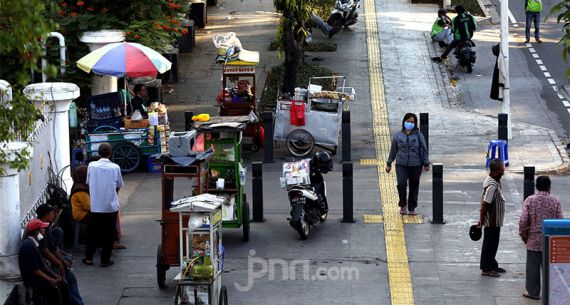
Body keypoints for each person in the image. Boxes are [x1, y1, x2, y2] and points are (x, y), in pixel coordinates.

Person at [519, 176, 563, 300]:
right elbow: (560, 220)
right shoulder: (555, 201)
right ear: (549, 187)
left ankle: (533, 292)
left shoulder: (530, 200)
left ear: (536, 186)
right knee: (550, 268)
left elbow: (523, 220)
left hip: (533, 239)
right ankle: (552, 291)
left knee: (533, 269)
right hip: (550, 240)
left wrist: (524, 235)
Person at [84, 142, 124, 267]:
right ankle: (105, 260)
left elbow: (88, 183)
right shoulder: (115, 167)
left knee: (92, 233)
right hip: (110, 206)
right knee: (109, 234)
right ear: (110, 154)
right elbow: (118, 186)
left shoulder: (91, 166)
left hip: (95, 206)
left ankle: (89, 258)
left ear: (98, 154)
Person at [36, 204, 84, 305]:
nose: (54, 215)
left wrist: (62, 260)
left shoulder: (47, 225)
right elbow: (46, 252)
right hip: (46, 265)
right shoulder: (40, 230)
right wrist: (59, 264)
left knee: (71, 278)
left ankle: (78, 303)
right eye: (51, 213)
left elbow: (53, 247)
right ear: (46, 215)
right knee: (65, 282)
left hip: (50, 262)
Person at [386, 113, 430, 215]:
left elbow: (423, 149)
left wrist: (425, 163)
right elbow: (393, 150)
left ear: (415, 124)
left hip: (416, 165)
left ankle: (412, 207)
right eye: (408, 121)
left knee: (414, 186)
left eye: (412, 122)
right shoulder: (398, 136)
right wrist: (389, 163)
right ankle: (403, 205)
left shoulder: (419, 136)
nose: (409, 123)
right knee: (401, 184)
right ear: (404, 122)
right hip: (401, 165)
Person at [19, 219, 70, 305]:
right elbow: (35, 270)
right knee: (56, 289)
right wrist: (50, 280)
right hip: (32, 279)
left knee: (63, 284)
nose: (44, 230)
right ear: (36, 231)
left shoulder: (34, 243)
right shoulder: (29, 246)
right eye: (42, 228)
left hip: (37, 276)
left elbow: (42, 265)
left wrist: (54, 275)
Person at [477, 158, 506, 277]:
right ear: (495, 171)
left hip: (496, 220)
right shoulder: (492, 185)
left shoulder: (494, 180)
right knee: (489, 244)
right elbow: (485, 204)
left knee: (494, 243)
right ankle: (486, 268)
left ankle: (492, 264)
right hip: (491, 220)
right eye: (501, 170)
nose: (503, 172)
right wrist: (481, 220)